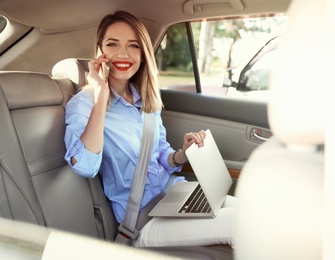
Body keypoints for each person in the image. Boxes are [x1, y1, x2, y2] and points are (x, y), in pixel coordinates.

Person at [64, 10, 236, 247]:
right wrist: (101, 94)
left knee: (252, 213)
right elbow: (84, 165)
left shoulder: (144, 100)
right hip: (142, 220)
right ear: (99, 50)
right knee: (242, 226)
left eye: (133, 46)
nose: (123, 53)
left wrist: (181, 155)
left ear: (143, 54)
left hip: (173, 193)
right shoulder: (84, 103)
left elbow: (160, 156)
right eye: (112, 44)